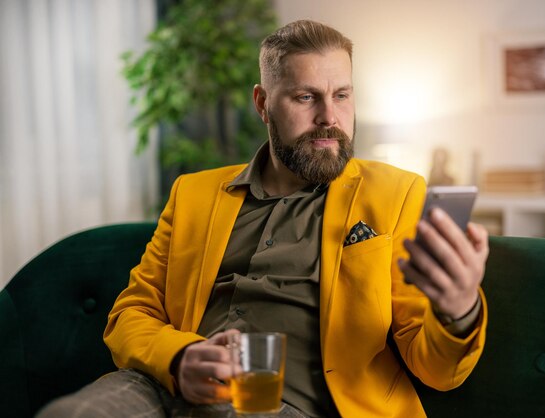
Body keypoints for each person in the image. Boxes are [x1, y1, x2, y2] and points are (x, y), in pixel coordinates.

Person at [38, 19, 488, 418]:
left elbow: (437, 369)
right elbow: (131, 313)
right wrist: (180, 357)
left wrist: (459, 310)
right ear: (262, 103)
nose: (329, 117)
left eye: (342, 95)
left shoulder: (396, 193)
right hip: (162, 387)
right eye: (305, 96)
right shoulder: (193, 193)